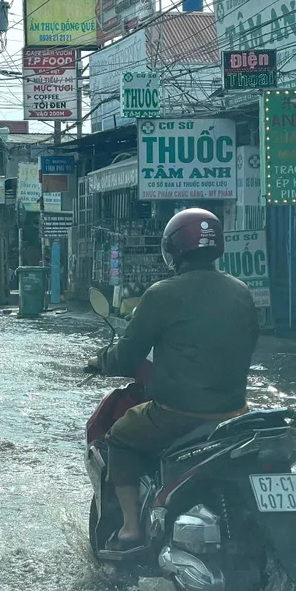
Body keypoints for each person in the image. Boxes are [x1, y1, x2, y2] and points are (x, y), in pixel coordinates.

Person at [87, 209, 259, 550]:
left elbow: (127, 355)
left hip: (176, 415)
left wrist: (99, 361)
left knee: (119, 436)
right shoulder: (241, 290)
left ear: (174, 249)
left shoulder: (162, 294)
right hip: (235, 415)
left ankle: (132, 528)